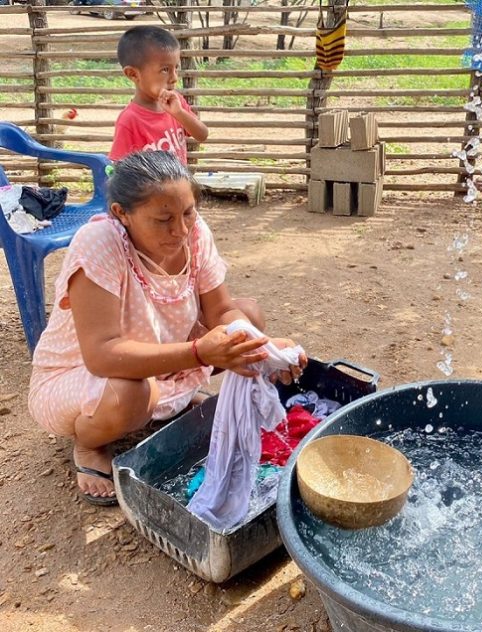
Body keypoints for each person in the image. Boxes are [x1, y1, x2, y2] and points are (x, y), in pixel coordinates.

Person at [29, 151, 305, 506]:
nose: (181, 230)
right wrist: (197, 352)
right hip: (82, 371)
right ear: (122, 214)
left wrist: (261, 345)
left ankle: (172, 397)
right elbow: (102, 355)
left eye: (188, 212)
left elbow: (221, 309)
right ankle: (90, 442)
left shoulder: (194, 233)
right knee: (130, 395)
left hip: (161, 356)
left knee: (247, 316)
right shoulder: (99, 243)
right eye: (163, 220)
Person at [109, 25, 208, 164]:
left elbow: (202, 135)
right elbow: (119, 172)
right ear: (133, 74)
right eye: (165, 70)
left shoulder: (176, 102)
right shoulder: (129, 121)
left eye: (176, 68)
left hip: (180, 185)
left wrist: (179, 113)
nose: (174, 78)